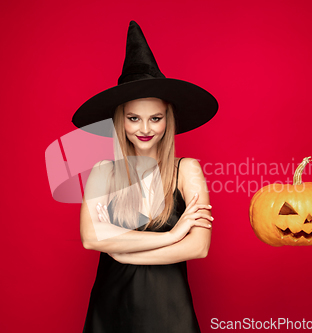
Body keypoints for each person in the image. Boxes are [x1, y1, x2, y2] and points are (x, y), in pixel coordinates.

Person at [72, 21, 219, 333]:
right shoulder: (104, 172)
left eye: (156, 118)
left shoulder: (187, 170)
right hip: (112, 307)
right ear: (120, 121)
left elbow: (198, 247)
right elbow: (90, 238)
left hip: (169, 308)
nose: (145, 129)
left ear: (168, 119)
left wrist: (121, 249)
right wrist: (171, 235)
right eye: (134, 118)